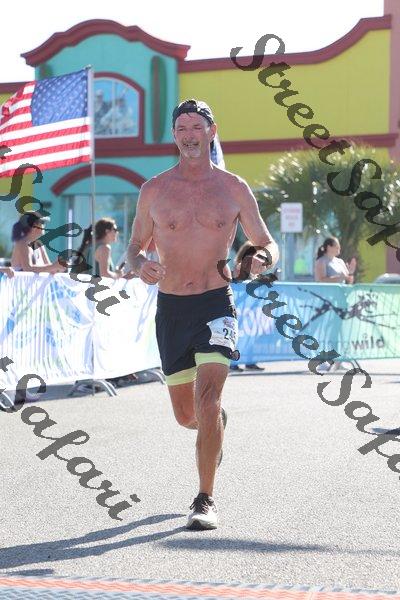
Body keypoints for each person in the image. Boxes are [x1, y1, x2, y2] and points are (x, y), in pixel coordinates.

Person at [127, 99, 279, 530]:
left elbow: (267, 241)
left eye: (197, 127)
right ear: (174, 135)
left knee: (208, 399)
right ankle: (213, 428)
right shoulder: (154, 190)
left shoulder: (233, 187)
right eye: (182, 128)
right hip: (172, 308)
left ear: (212, 132)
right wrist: (140, 265)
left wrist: (262, 259)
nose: (189, 135)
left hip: (216, 303)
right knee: (187, 415)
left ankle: (204, 498)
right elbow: (134, 247)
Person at [315, 237, 356, 372]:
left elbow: (347, 280)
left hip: (340, 300)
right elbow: (321, 279)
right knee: (326, 330)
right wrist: (341, 278)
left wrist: (350, 275)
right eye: (336, 246)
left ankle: (338, 360)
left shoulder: (340, 262)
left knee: (338, 330)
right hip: (327, 301)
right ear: (329, 247)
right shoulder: (321, 261)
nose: (339, 248)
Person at [230, 241, 267, 372]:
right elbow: (239, 282)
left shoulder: (253, 269)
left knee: (251, 335)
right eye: (256, 255)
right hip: (239, 307)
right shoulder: (239, 266)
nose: (258, 259)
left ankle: (250, 361)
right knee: (237, 335)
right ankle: (233, 363)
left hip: (250, 308)